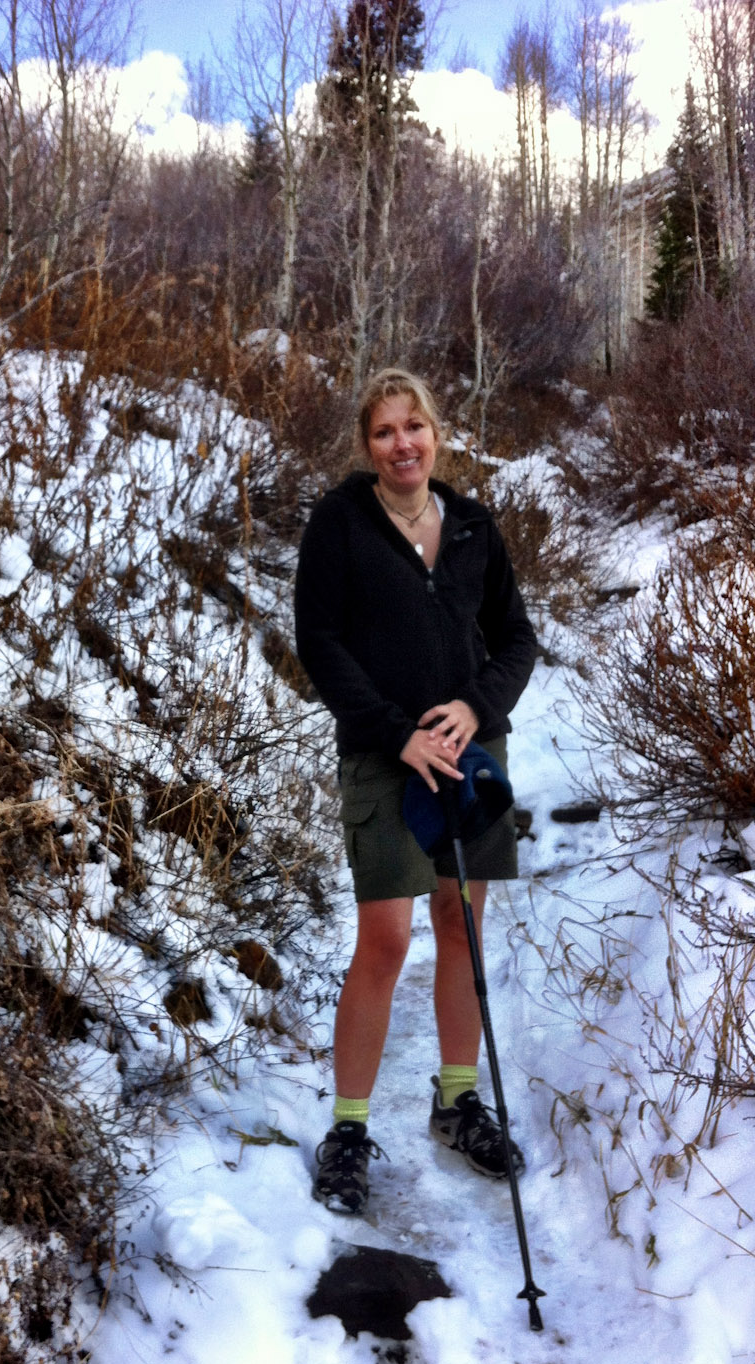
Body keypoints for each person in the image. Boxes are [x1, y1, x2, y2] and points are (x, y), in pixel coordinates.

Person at [293, 367, 537, 1215]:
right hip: (384, 755)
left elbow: (517, 637)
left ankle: (457, 1102)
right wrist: (396, 731)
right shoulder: (341, 523)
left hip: (469, 756)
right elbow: (318, 642)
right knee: (388, 939)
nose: (403, 444)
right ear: (368, 447)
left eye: (415, 427)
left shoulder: (472, 525)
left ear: (436, 432)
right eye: (385, 432)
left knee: (460, 922)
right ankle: (350, 1129)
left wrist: (476, 706)